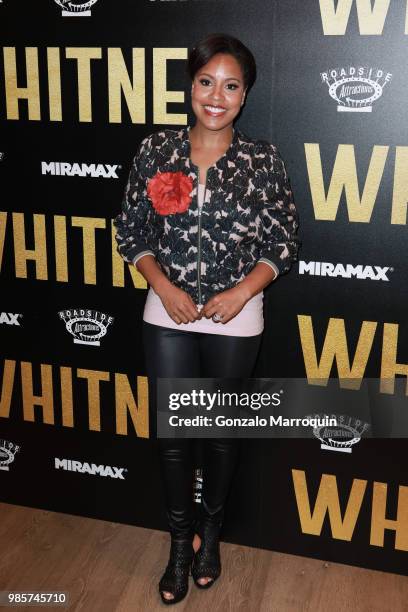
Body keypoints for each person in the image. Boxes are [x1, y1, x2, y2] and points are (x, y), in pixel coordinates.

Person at [113, 32, 300, 605]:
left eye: (230, 85)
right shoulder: (157, 152)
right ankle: (177, 545)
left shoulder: (261, 160)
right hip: (166, 311)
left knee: (219, 436)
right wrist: (164, 286)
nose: (216, 96)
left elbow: (283, 239)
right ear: (190, 86)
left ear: (244, 96)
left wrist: (241, 292)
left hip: (236, 318)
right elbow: (132, 230)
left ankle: (211, 537)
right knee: (174, 438)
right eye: (205, 82)